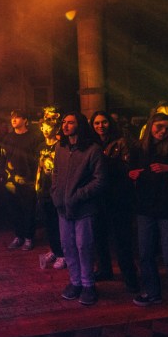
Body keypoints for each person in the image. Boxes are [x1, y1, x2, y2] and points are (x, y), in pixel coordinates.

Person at [129, 111, 168, 319]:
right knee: (145, 253)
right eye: (159, 127)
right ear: (150, 126)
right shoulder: (139, 147)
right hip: (146, 206)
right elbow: (131, 169)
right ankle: (152, 292)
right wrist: (132, 173)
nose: (163, 131)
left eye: (167, 128)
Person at [50, 113, 106, 306]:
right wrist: (55, 192)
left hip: (83, 207)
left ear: (79, 125)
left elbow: (100, 180)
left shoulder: (92, 150)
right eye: (64, 122)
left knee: (84, 246)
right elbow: (56, 172)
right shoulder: (60, 147)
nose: (65, 126)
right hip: (63, 207)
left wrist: (78, 195)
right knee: (68, 246)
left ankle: (88, 284)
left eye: (70, 122)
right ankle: (75, 282)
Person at [90, 111, 140, 291]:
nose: (100, 126)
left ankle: (129, 276)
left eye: (103, 122)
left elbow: (128, 166)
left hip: (118, 195)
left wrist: (103, 163)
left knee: (122, 239)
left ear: (110, 123)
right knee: (99, 236)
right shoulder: (91, 143)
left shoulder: (121, 142)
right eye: (96, 123)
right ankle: (105, 269)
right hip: (98, 196)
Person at [1, 109, 42, 251]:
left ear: (25, 120)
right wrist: (4, 175)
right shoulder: (8, 138)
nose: (14, 120)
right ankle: (18, 236)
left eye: (18, 117)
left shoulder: (34, 137)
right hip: (11, 180)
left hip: (28, 180)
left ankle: (29, 237)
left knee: (28, 209)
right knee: (14, 209)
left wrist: (36, 178)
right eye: (12, 117)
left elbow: (38, 159)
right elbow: (4, 157)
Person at [35, 111, 66, 269]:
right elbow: (39, 168)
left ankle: (63, 254)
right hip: (44, 190)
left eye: (49, 126)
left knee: (59, 222)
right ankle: (54, 249)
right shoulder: (41, 146)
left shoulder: (60, 146)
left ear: (56, 128)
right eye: (44, 127)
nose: (46, 130)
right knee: (49, 223)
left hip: (57, 190)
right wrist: (37, 186)